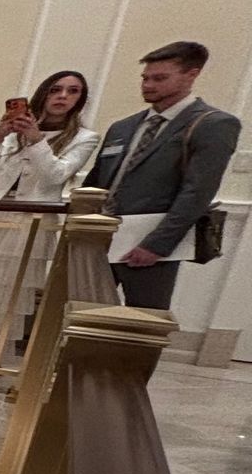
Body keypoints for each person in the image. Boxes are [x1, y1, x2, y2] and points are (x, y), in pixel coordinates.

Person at [0, 71, 99, 377]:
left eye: (73, 91)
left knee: (4, 296)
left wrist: (38, 140)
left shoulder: (84, 138)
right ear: (43, 93)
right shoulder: (13, 133)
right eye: (56, 89)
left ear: (80, 100)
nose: (62, 96)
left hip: (30, 221)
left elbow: (56, 176)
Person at [82, 41, 242, 309]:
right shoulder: (123, 127)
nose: (148, 85)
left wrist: (157, 245)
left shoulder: (212, 124)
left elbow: (197, 191)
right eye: (145, 78)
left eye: (160, 78)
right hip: (99, 237)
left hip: (149, 240)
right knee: (83, 312)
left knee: (144, 318)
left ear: (191, 75)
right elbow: (97, 181)